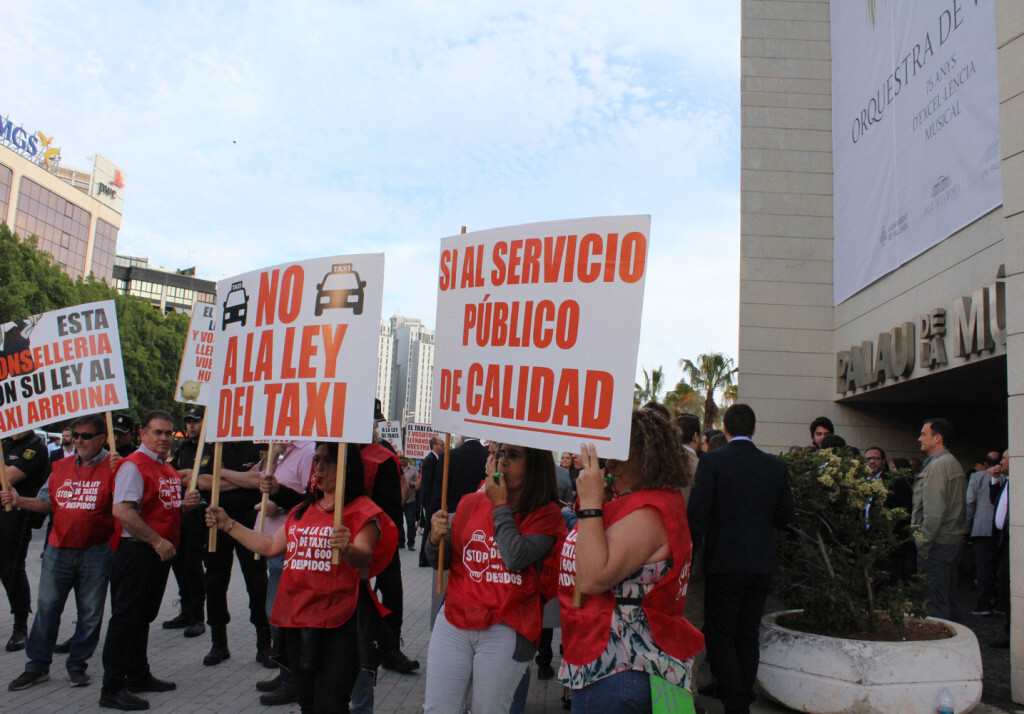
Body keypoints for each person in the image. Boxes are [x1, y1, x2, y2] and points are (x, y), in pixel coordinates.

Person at [205, 442, 398, 714]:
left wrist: (346, 548)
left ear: (347, 467)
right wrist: (228, 525)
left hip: (339, 622)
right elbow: (271, 545)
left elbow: (364, 556)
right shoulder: (302, 510)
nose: (319, 467)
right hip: (297, 619)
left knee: (330, 704)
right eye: (316, 460)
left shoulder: (363, 511)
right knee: (307, 701)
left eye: (327, 461)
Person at [556, 407, 703, 712]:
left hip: (621, 668)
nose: (609, 465)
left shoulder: (648, 511)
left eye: (618, 457)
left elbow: (594, 578)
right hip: (641, 664)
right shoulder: (653, 502)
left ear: (647, 458)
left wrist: (593, 504)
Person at [424, 443, 565, 713]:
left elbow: (515, 556)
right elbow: (438, 560)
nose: (502, 463)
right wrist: (434, 538)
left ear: (535, 465)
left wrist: (500, 506)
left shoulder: (546, 514)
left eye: (513, 456)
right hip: (455, 619)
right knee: (438, 708)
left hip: (507, 627)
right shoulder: (470, 503)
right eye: (499, 454)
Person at [688, 404, 794, 714]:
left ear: (725, 428)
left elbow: (697, 515)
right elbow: (786, 516)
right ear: (754, 429)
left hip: (724, 562)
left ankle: (736, 702)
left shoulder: (712, 462)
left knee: (721, 634)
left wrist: (690, 557)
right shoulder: (774, 466)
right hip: (760, 562)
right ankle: (743, 694)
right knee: (748, 634)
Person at [3, 415, 116, 690]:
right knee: (47, 610)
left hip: (97, 552)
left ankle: (77, 665)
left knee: (90, 614)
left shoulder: (116, 466)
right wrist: (19, 501)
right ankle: (37, 666)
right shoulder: (60, 466)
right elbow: (46, 503)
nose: (78, 440)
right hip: (58, 550)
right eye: (75, 435)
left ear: (102, 438)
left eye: (85, 436)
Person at [99, 410, 201, 711]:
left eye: (169, 433)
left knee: (142, 617)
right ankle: (112, 687)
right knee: (126, 619)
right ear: (142, 434)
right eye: (158, 432)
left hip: (157, 553)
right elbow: (123, 511)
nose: (165, 438)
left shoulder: (165, 467)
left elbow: (161, 509)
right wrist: (156, 541)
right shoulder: (134, 466)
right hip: (138, 552)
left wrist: (184, 506)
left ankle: (138, 675)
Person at [194, 438, 271, 667]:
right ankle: (219, 644)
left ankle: (264, 643)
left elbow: (260, 480)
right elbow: (203, 481)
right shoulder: (214, 444)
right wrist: (243, 480)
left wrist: (222, 473)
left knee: (257, 582)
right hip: (216, 521)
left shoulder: (261, 444)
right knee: (215, 582)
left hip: (250, 520)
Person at [253, 440, 316, 707]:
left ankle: (293, 681)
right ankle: (285, 673)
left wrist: (278, 503)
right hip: (273, 544)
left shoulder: (308, 452)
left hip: (289, 546)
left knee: (282, 615)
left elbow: (311, 501)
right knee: (274, 613)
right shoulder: (279, 452)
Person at [0, 428, 51, 651]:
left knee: (10, 569)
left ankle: (20, 624)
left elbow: (8, 478)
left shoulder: (35, 447)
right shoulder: (6, 444)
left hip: (16, 515)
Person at [911, 417, 966, 620]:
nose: (919, 439)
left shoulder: (938, 466)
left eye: (924, 434)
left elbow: (933, 513)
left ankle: (941, 648)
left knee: (935, 606)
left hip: (936, 546)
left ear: (938, 438)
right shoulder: (952, 463)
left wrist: (922, 543)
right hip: (948, 543)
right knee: (947, 599)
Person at [163, 409, 211, 638]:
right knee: (178, 563)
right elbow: (171, 475)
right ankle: (186, 609)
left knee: (193, 565)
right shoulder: (182, 448)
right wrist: (183, 475)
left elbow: (202, 479)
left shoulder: (210, 447)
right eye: (189, 422)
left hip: (199, 517)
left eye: (196, 421)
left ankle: (198, 616)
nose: (191, 426)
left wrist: (186, 476)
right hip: (180, 515)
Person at [966, 452, 1004, 615]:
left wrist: (966, 526)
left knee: (983, 567)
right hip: (1001, 529)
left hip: (981, 527)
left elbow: (970, 503)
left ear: (985, 464)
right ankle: (1000, 603)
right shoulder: (1006, 478)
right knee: (999, 567)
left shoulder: (977, 477)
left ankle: (983, 604)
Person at [402, 457, 420, 551]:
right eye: (400, 458)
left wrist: (411, 484)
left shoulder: (413, 470)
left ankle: (411, 543)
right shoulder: (396, 468)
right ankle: (401, 541)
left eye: (404, 458)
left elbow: (418, 483)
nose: (402, 459)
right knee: (398, 522)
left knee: (410, 522)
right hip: (399, 500)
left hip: (410, 500)